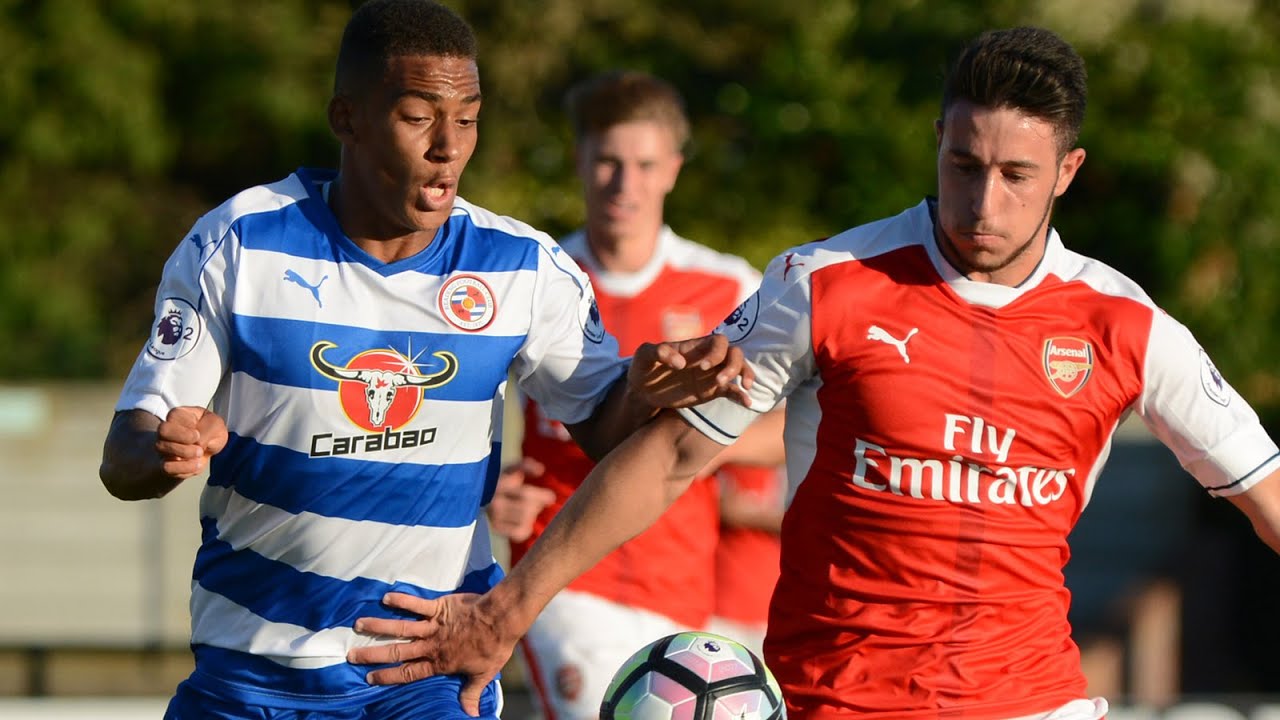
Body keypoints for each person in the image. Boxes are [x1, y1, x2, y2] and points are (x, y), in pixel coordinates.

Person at [346, 25, 1280, 720]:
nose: (981, 202)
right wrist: (510, 607)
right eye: (962, 164)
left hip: (1032, 699)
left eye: (1016, 176)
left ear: (1067, 171)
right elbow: (671, 458)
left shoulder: (1128, 325)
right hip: (840, 700)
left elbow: (1263, 490)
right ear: (938, 142)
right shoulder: (824, 283)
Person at [95, 2, 750, 718]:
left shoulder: (522, 268)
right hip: (250, 672)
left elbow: (607, 431)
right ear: (346, 118)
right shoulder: (240, 244)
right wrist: (164, 448)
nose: (449, 147)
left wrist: (648, 389)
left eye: (467, 119)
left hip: (427, 675)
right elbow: (124, 454)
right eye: (418, 117)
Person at [482, 70, 785, 719]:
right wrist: (485, 488)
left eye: (645, 164)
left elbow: (788, 426)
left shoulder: (726, 286)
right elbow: (462, 403)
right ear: (578, 160)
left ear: (673, 168)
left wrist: (694, 440)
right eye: (608, 162)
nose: (625, 184)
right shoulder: (538, 279)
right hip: (563, 577)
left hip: (681, 584)